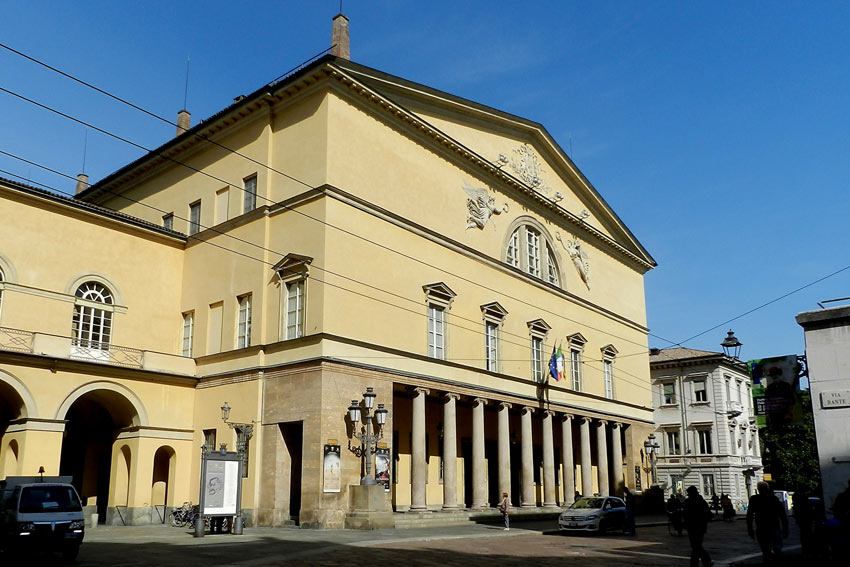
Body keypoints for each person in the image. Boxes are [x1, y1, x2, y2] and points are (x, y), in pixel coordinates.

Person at [747, 481, 789, 563]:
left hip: (762, 528)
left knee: (766, 550)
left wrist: (750, 528)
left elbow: (749, 515)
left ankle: (769, 560)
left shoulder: (754, 499)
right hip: (773, 527)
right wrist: (785, 527)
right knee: (777, 549)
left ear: (758, 489)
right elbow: (782, 515)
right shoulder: (774, 499)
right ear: (768, 489)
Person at [683, 486, 713, 567]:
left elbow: (685, 514)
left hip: (692, 527)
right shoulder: (701, 501)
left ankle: (699, 562)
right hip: (701, 527)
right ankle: (705, 561)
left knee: (695, 546)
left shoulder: (688, 501)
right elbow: (709, 514)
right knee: (696, 546)